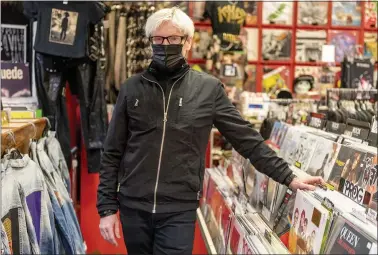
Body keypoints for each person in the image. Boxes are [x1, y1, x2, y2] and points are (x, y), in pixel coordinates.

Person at [97, 7, 324, 255]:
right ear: (150, 41)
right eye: (158, 39)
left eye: (173, 39)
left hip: (178, 211)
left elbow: (245, 139)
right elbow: (112, 151)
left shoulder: (207, 89)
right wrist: (107, 209)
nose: (165, 45)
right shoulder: (131, 89)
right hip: (133, 209)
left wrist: (289, 177)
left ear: (188, 42)